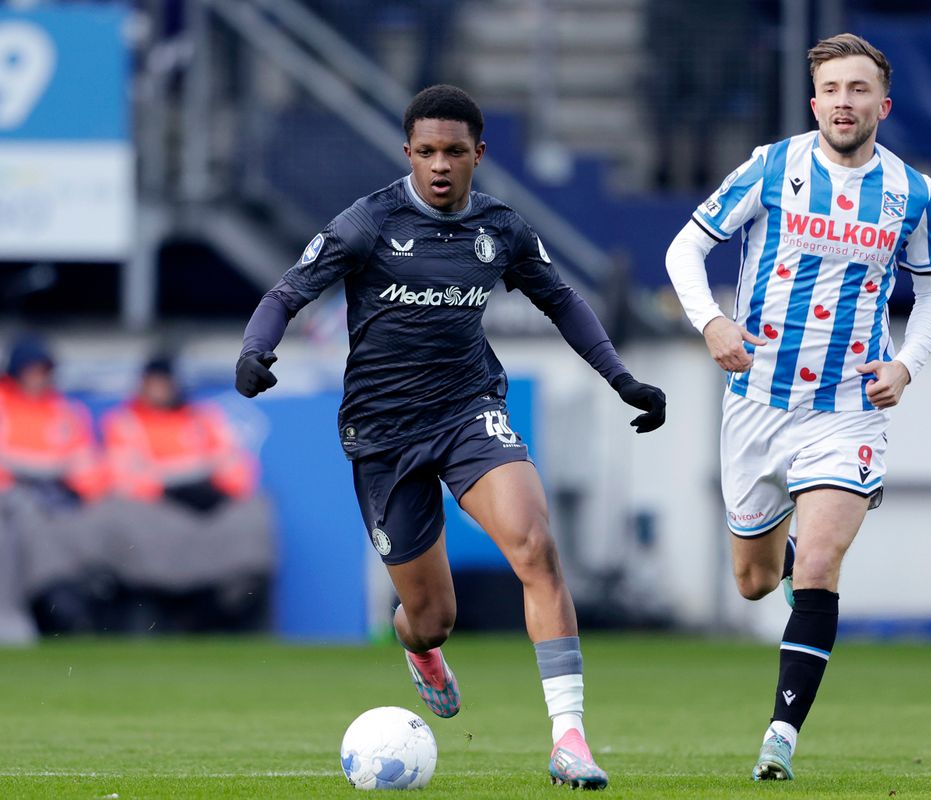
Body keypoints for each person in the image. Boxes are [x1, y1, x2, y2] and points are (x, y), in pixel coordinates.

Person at [235, 84, 666, 789]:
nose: (440, 165)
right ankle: (423, 652)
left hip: (469, 412)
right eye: (427, 152)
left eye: (454, 152)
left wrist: (623, 380)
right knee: (432, 617)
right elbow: (288, 291)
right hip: (383, 435)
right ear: (408, 153)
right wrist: (256, 350)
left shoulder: (503, 229)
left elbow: (563, 301)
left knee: (536, 546)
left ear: (478, 155)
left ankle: (570, 741)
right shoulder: (367, 223)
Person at [664, 34, 931, 781]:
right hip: (758, 403)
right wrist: (713, 322)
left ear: (882, 105)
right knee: (756, 581)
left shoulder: (911, 192)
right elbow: (682, 251)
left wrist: (906, 366)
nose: (844, 102)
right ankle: (781, 558)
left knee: (820, 565)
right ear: (814, 100)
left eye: (859, 90)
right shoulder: (772, 166)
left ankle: (779, 740)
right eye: (832, 89)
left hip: (848, 406)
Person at [95, 355, 275, 631]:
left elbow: (236, 468)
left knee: (253, 512)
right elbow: (124, 477)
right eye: (153, 382)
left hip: (206, 510)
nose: (160, 389)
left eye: (165, 382)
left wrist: (212, 489)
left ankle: (222, 604)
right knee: (132, 518)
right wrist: (169, 487)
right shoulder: (124, 422)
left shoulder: (204, 420)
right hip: (157, 513)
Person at [0, 335, 108, 634]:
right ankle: (12, 613)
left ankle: (77, 600)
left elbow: (88, 470)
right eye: (31, 370)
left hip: (58, 501)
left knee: (101, 518)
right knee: (17, 516)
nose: (38, 378)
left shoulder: (67, 413)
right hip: (11, 499)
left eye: (43, 370)